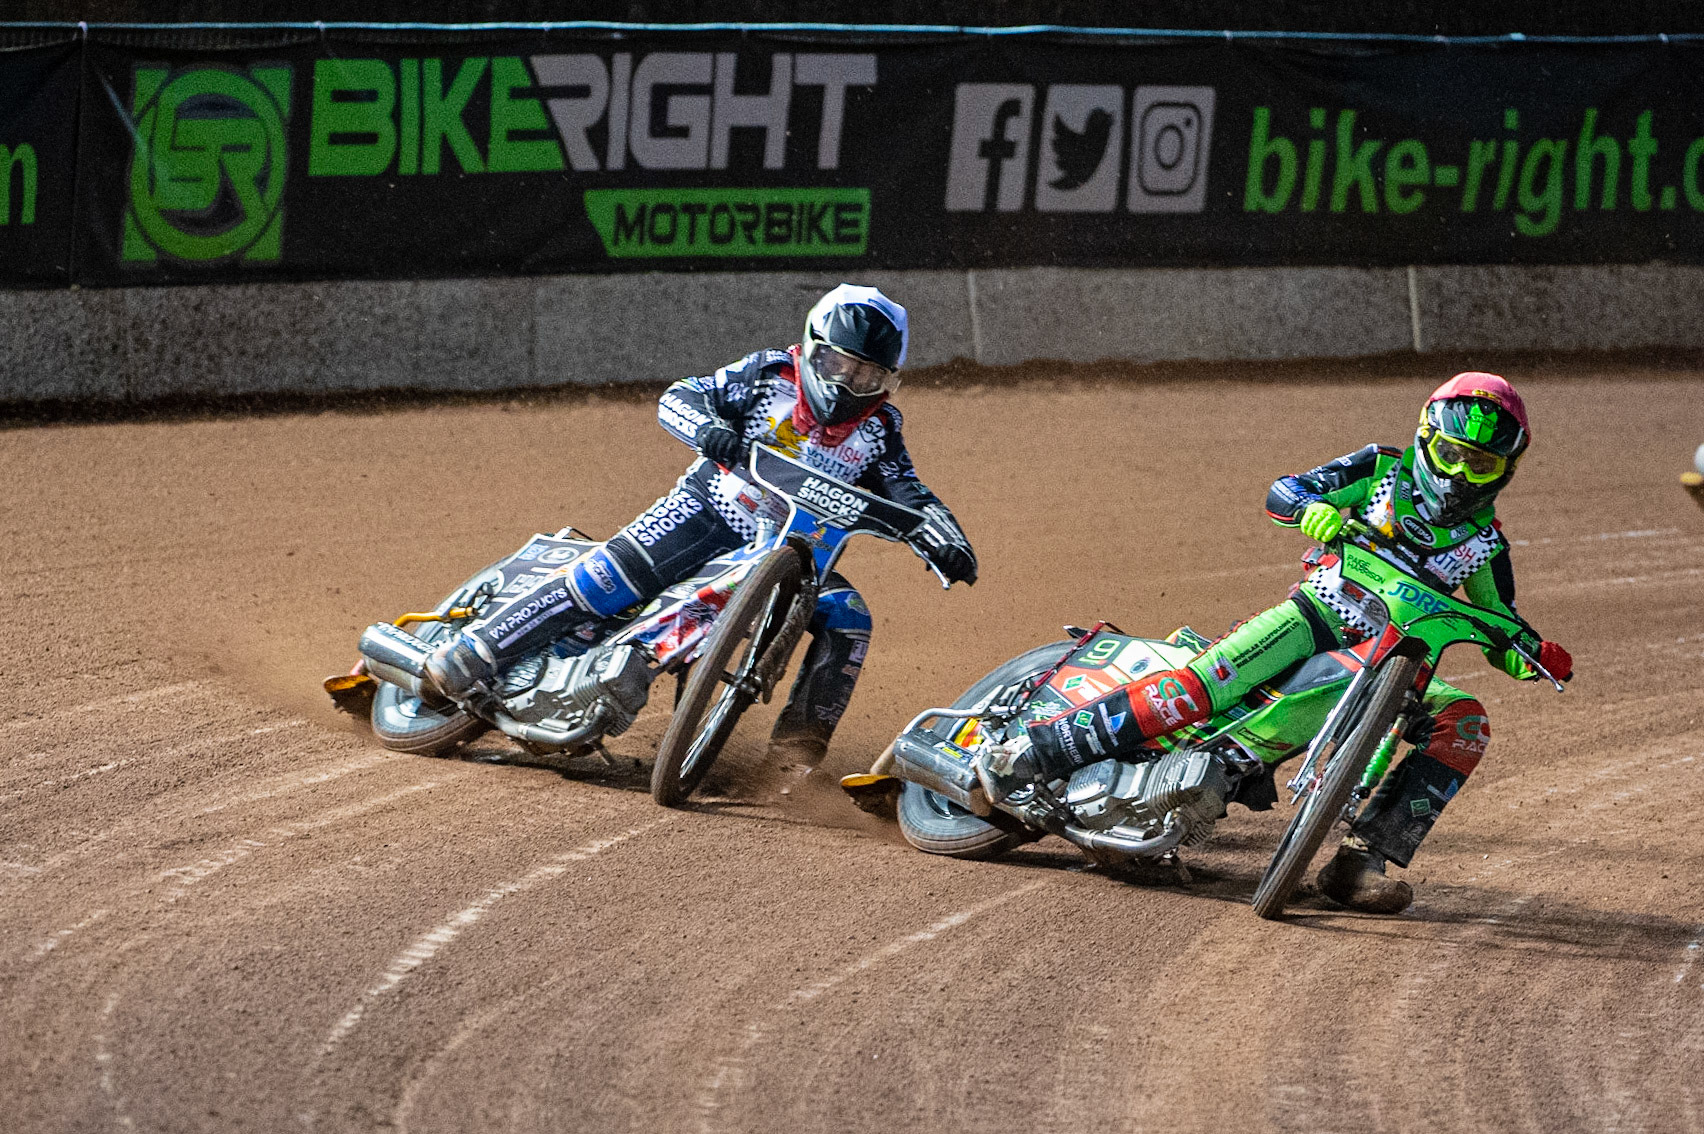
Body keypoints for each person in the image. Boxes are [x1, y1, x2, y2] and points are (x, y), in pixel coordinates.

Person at [1009, 373, 1571, 914]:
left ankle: (1360, 862)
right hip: (1318, 613)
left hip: (1401, 657)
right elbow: (1286, 491)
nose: (1459, 473)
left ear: (1506, 469)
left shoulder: (1487, 545)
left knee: (1465, 722)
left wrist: (1532, 659)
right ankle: (1039, 753)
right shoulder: (1380, 468)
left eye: (1480, 462)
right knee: (1201, 688)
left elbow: (1499, 623)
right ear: (1426, 437)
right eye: (1451, 452)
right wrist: (1313, 510)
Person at [424, 284, 978, 776]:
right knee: (610, 577)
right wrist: (710, 430)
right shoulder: (766, 375)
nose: (849, 382)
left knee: (850, 619)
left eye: (867, 374)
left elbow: (910, 493)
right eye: (838, 364)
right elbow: (680, 397)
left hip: (794, 555)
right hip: (707, 512)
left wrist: (945, 538)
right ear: (811, 348)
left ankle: (793, 762)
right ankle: (479, 651)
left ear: (888, 381)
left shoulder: (881, 428)